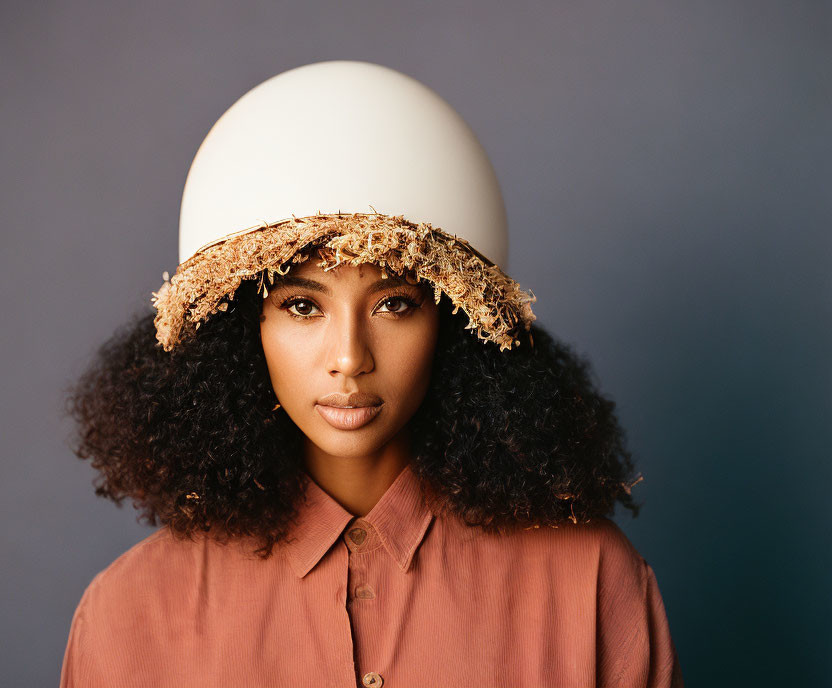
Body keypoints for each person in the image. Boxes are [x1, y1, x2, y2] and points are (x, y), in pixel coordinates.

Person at [60, 60, 684, 687]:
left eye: (395, 304)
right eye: (302, 306)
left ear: (457, 325)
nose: (351, 356)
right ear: (238, 332)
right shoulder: (128, 615)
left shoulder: (593, 586)